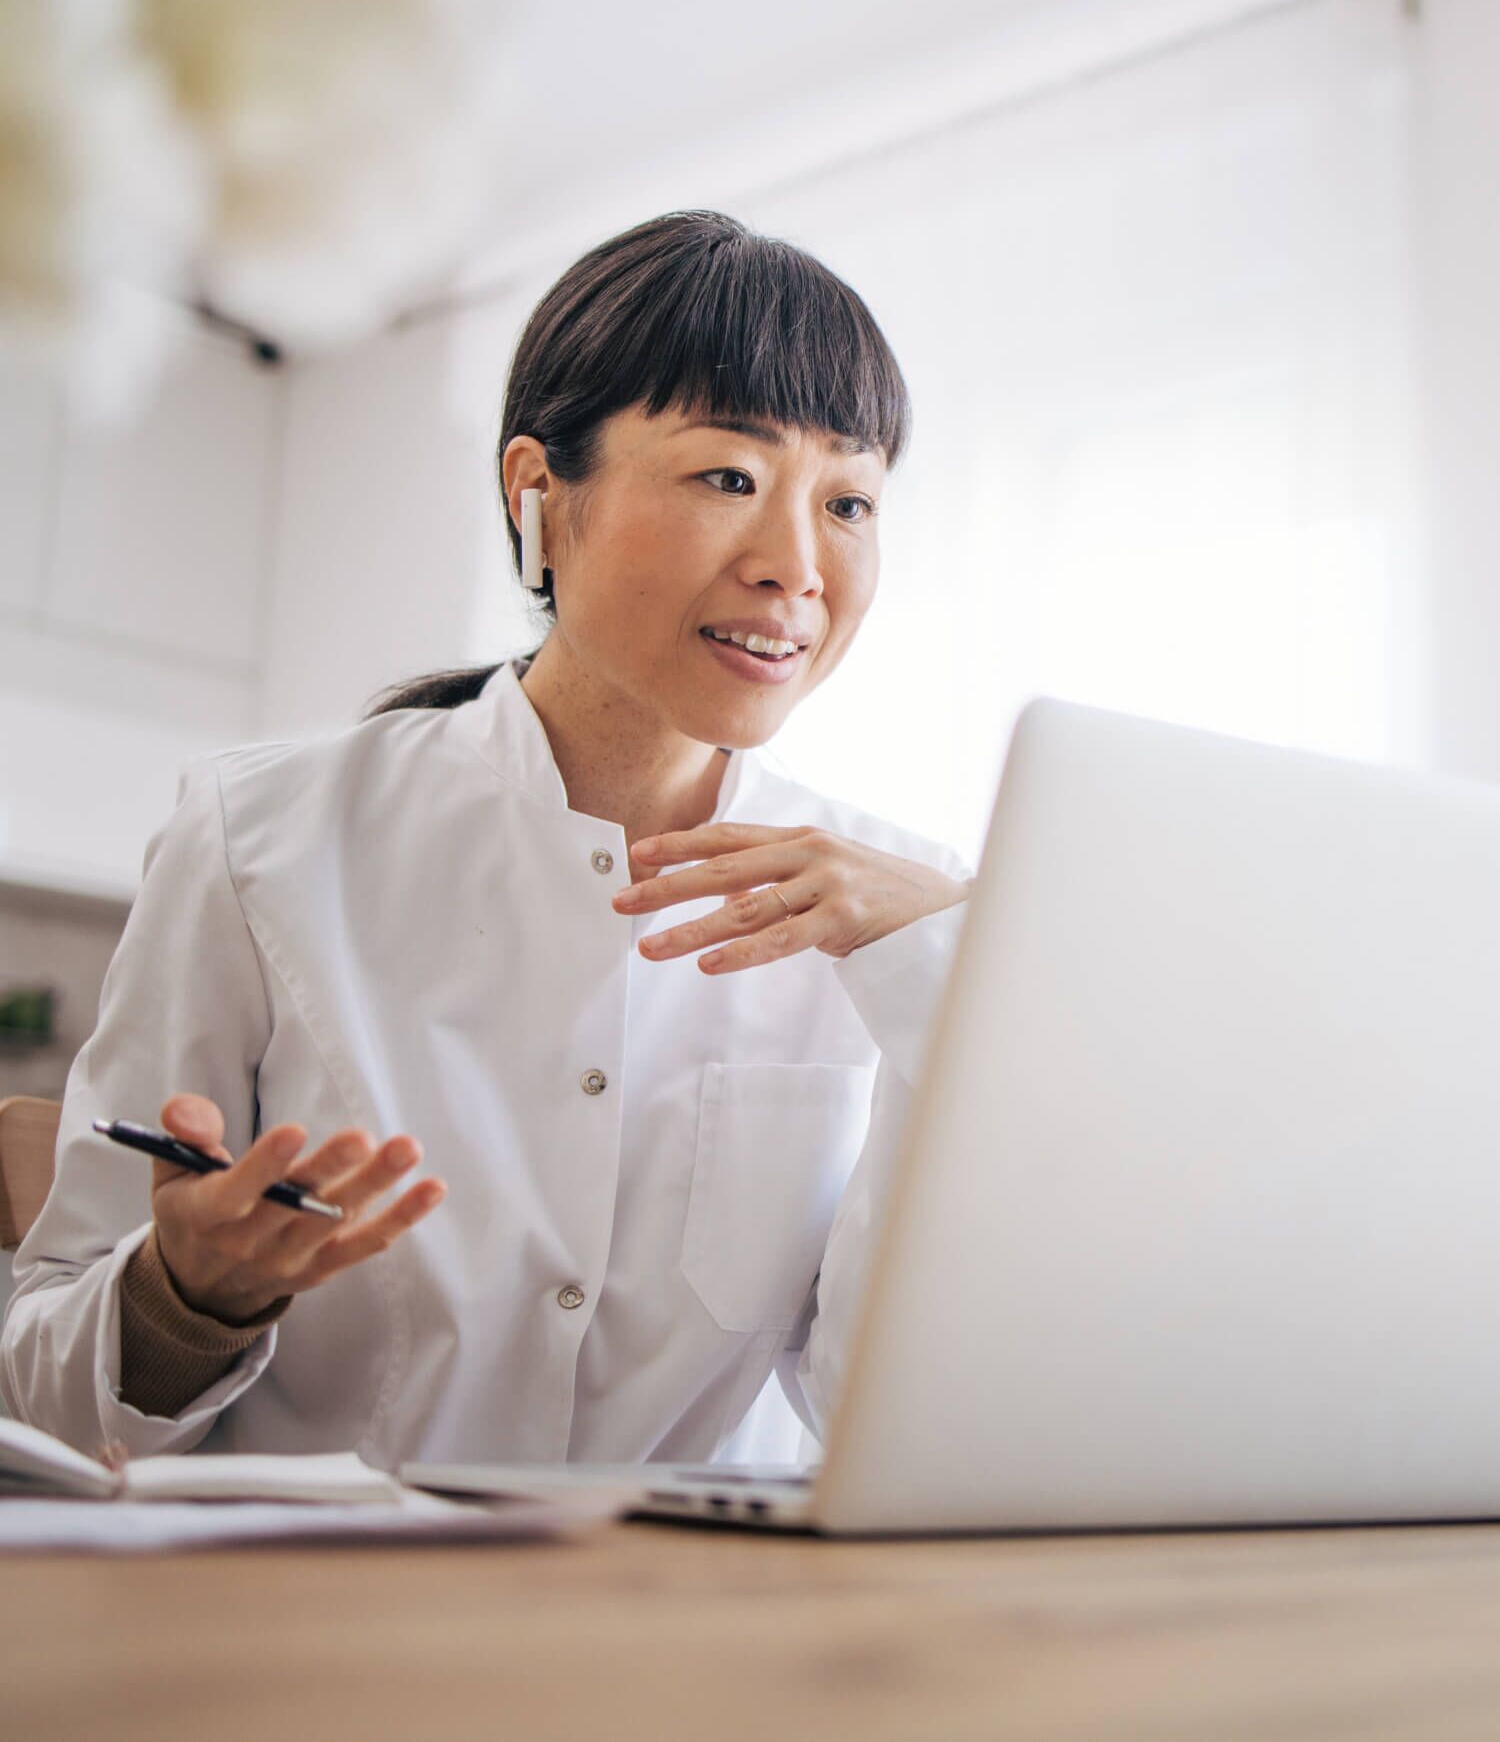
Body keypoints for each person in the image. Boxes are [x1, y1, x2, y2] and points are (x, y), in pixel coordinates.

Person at [0, 209, 972, 1466]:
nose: (797, 567)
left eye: (848, 501)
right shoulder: (257, 837)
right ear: (538, 494)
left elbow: (890, 1425)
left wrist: (938, 980)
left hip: (695, 1590)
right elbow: (43, 1400)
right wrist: (186, 1303)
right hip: (322, 1585)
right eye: (729, 477)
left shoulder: (901, 920)